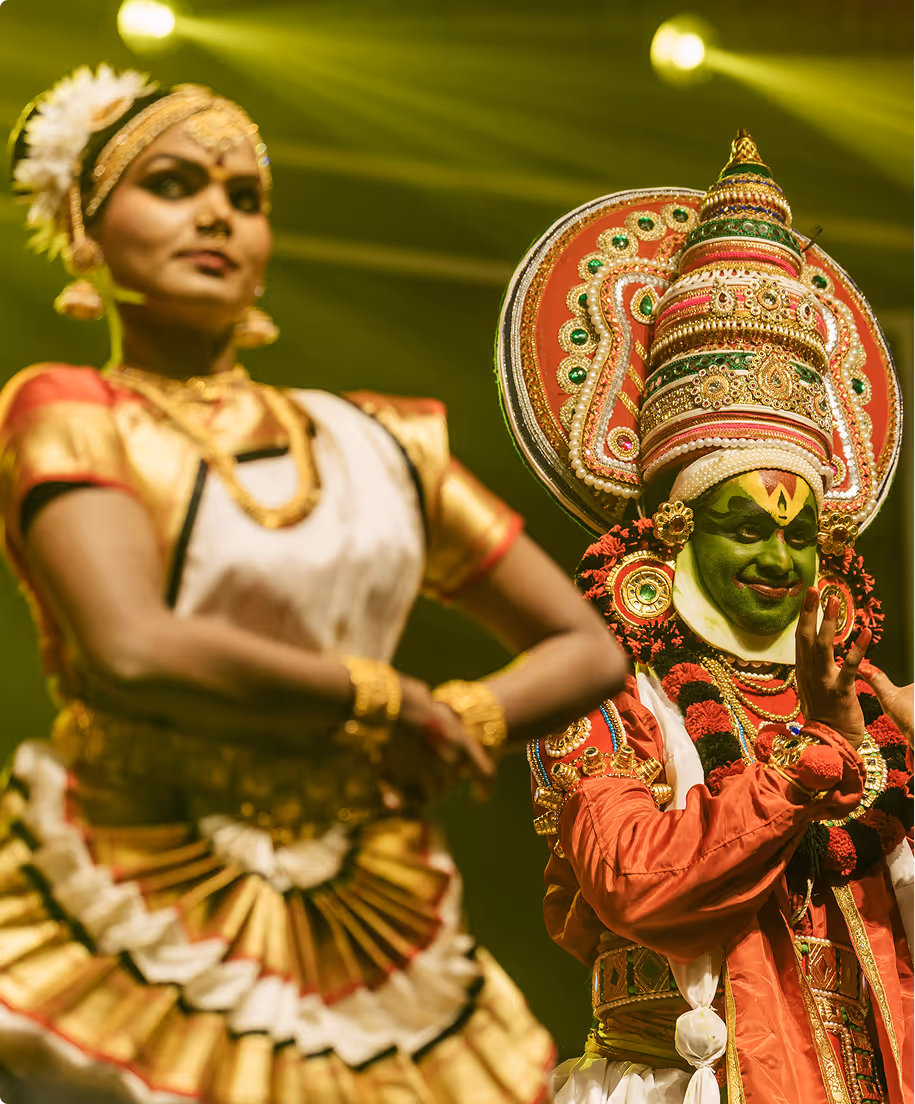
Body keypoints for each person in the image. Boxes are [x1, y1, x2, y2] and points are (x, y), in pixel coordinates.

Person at [0, 65, 629, 1103]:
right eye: (172, 185)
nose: (217, 215)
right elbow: (131, 644)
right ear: (83, 229)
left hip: (361, 888)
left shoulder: (379, 442)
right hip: (136, 862)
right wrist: (380, 698)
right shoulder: (70, 411)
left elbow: (589, 649)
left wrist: (461, 720)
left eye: (245, 197)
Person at [497, 132, 912, 1102]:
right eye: (746, 527)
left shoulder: (874, 711)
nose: (777, 559)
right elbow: (638, 881)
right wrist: (813, 756)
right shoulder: (608, 697)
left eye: (799, 535)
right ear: (676, 533)